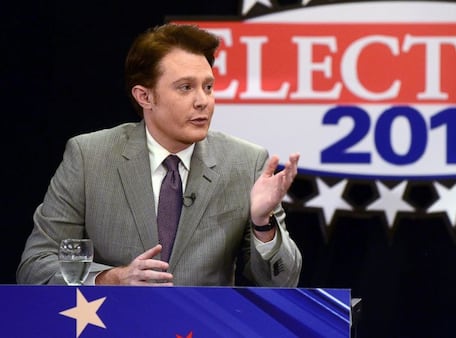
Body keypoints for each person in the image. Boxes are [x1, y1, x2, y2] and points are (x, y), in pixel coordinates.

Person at [16, 23, 302, 287]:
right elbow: (35, 267)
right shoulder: (89, 157)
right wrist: (112, 278)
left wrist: (263, 224)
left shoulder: (246, 163)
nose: (203, 101)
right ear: (145, 97)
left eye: (209, 87)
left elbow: (283, 283)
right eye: (186, 87)